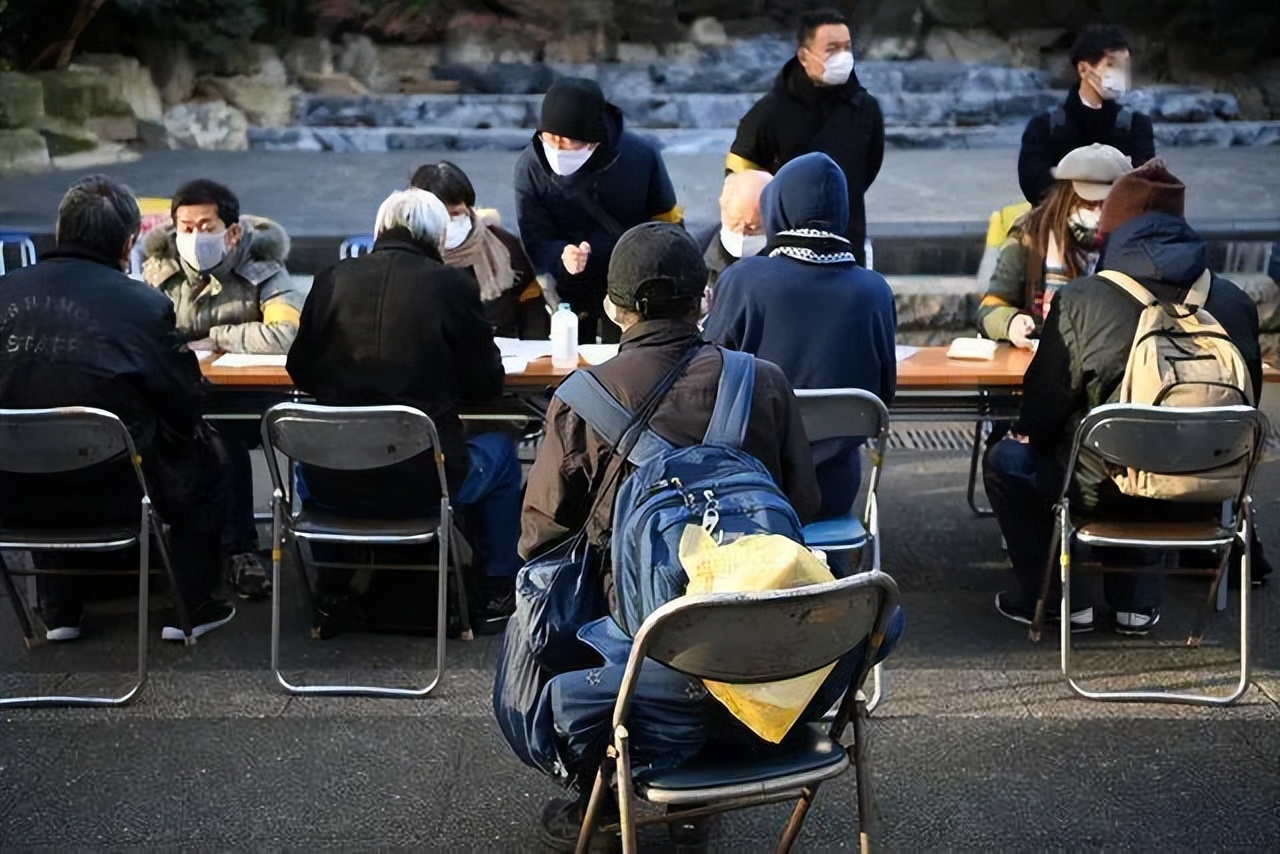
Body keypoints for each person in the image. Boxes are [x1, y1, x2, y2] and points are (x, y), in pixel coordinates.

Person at [507, 222, 901, 852]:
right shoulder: (762, 381)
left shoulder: (580, 399)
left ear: (613, 308)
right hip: (774, 643)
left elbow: (540, 536)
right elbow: (803, 504)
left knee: (543, 598)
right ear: (707, 300)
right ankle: (726, 762)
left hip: (645, 644)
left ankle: (605, 796)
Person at [983, 159, 1263, 635]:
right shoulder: (1233, 301)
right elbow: (1247, 403)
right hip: (1207, 487)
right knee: (1164, 450)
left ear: (1114, 227)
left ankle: (1058, 603)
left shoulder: (1082, 300)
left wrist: (1032, 430)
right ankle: (1138, 604)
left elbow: (1042, 410)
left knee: (1010, 460)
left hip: (1106, 488)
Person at [0, 175, 236, 641]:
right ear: (129, 242)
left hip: (12, 490)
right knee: (207, 456)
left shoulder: (5, 292)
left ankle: (59, 611)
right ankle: (191, 606)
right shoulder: (140, 305)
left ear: (58, 229)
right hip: (114, 487)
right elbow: (182, 398)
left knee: (39, 438)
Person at [286, 188, 522, 631]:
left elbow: (300, 369)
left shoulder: (331, 278)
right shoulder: (451, 285)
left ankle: (333, 587)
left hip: (331, 479)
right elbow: (485, 381)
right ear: (437, 239)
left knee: (313, 461)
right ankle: (496, 588)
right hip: (423, 480)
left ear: (379, 230)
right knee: (503, 456)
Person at [704, 152, 896, 522]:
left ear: (777, 207)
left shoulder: (744, 280)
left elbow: (708, 379)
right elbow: (882, 393)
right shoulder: (874, 291)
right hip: (834, 492)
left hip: (751, 486)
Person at [143, 179, 306, 600]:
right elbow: (141, 332)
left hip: (245, 398)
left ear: (231, 232)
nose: (196, 236)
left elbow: (288, 333)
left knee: (221, 437)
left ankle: (239, 552)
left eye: (206, 226)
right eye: (186, 227)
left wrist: (219, 336)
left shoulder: (264, 268)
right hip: (178, 394)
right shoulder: (158, 272)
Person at [514, 76, 682, 345]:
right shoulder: (530, 165)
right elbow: (534, 235)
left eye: (566, 141)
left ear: (592, 138)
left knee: (630, 359)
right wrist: (561, 255)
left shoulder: (640, 156)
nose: (555, 148)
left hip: (632, 279)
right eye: (549, 138)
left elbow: (666, 223)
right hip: (570, 284)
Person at [726, 8, 883, 267]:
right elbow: (740, 177)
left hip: (846, 248)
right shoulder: (769, 114)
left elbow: (868, 169)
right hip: (782, 256)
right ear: (804, 56)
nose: (842, 57)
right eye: (831, 49)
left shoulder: (865, 110)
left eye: (847, 48)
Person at [977, 143, 1132, 349]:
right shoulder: (1029, 239)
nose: (1099, 214)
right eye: (1089, 204)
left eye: (1107, 205)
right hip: (1041, 359)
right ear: (1066, 198)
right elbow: (989, 309)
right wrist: (1010, 323)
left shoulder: (1132, 241)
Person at [1018, 24, 1155, 205]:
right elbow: (1033, 183)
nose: (1120, 74)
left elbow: (1145, 185)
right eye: (1112, 65)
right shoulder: (1044, 127)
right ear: (1083, 69)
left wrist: (1064, 174)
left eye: (1125, 66)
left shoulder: (1136, 125)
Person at [410, 160, 547, 340]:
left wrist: (533, 351)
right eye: (441, 215)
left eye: (456, 213)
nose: (449, 223)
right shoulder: (408, 255)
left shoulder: (504, 246)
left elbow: (531, 304)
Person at [700, 169, 772, 314]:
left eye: (752, 228)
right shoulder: (698, 250)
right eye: (735, 222)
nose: (743, 234)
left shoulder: (786, 261)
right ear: (723, 209)